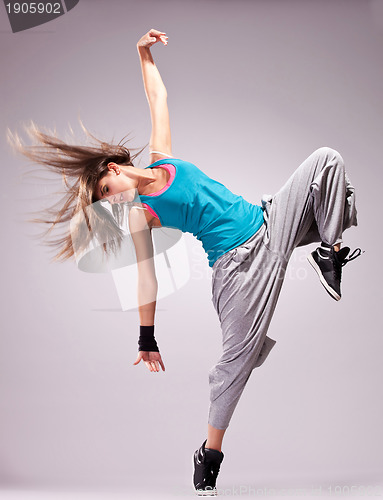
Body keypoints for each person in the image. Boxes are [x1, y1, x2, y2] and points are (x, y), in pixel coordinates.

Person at [8, 28, 362, 497]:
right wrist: (146, 336)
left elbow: (158, 95)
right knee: (236, 364)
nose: (111, 204)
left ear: (114, 170)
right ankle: (209, 455)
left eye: (106, 194)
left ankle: (328, 252)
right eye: (105, 204)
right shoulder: (140, 216)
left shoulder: (164, 159)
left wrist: (142, 53)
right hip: (238, 272)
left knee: (327, 163)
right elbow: (145, 279)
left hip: (268, 220)